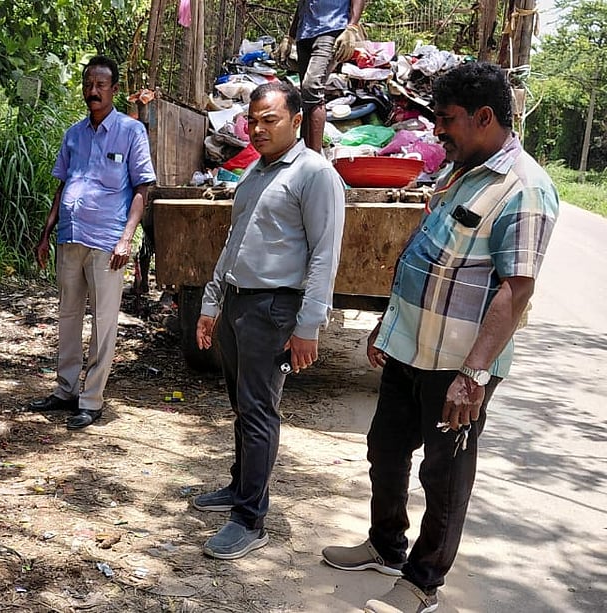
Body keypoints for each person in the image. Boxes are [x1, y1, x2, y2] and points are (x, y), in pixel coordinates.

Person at [321, 62, 559, 613]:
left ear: (484, 117)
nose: (438, 131)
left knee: (444, 473)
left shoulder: (524, 189)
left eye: (447, 119)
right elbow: (426, 258)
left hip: (457, 365)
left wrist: (473, 373)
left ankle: (422, 583)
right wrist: (389, 322)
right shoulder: (462, 169)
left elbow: (516, 290)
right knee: (385, 449)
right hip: (412, 348)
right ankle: (385, 545)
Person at [193, 82, 345, 559]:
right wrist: (211, 303)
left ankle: (250, 519)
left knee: (259, 411)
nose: (257, 129)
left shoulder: (314, 174)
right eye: (252, 120)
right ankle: (240, 488)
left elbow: (325, 255)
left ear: (296, 121)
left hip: (275, 308)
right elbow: (232, 243)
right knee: (241, 405)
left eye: (269, 120)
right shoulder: (256, 172)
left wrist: (308, 326)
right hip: (239, 303)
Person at [27, 55, 156, 430]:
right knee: (67, 317)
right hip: (70, 237)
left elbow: (142, 187)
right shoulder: (74, 134)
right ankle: (65, 390)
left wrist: (127, 237)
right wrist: (46, 233)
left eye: (101, 85)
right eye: (88, 84)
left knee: (103, 321)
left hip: (107, 242)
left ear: (114, 90)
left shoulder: (131, 132)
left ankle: (92, 399)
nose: (93, 91)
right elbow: (62, 184)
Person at [284, 0, 366, 151]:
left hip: (331, 29)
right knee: (306, 95)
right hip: (305, 34)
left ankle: (314, 157)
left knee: (311, 87)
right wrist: (290, 37)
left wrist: (352, 27)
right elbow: (301, 5)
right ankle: (303, 151)